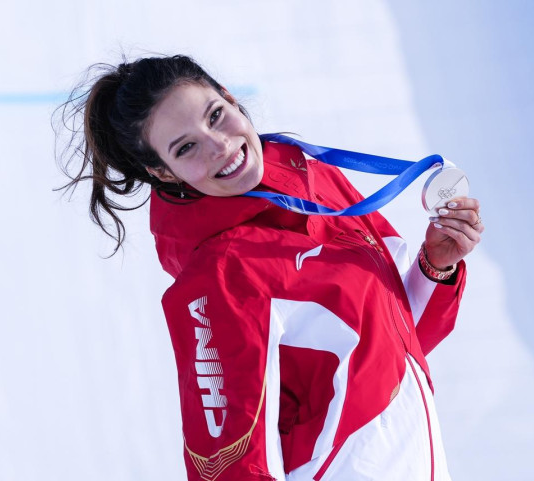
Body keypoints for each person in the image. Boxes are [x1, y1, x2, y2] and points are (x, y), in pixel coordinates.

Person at [58, 55, 484, 481]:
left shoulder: (315, 181)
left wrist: (435, 266)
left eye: (215, 115)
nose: (219, 146)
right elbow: (229, 468)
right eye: (186, 148)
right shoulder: (220, 277)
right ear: (163, 173)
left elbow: (397, 342)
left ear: (229, 98)